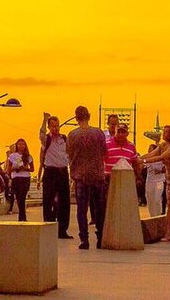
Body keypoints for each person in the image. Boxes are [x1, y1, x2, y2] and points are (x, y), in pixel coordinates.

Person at [66, 105, 108, 250]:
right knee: (100, 208)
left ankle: (84, 239)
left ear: (76, 118)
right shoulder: (98, 133)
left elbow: (69, 154)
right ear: (89, 116)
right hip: (97, 174)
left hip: (80, 176)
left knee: (81, 209)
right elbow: (104, 151)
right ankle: (100, 236)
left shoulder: (72, 135)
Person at [38, 113, 72, 239]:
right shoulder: (47, 139)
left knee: (64, 201)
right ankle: (48, 226)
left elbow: (69, 153)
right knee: (48, 200)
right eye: (52, 126)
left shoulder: (64, 139)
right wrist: (44, 120)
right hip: (50, 172)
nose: (55, 128)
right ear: (49, 127)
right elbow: (41, 134)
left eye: (57, 126)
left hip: (62, 171)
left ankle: (62, 229)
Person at [5, 138, 35, 222]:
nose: (21, 146)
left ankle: (22, 216)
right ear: (16, 146)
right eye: (19, 144)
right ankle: (22, 216)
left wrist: (25, 168)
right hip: (16, 178)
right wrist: (15, 168)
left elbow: (32, 169)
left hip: (25, 177)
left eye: (23, 144)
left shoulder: (28, 156)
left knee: (23, 197)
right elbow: (8, 169)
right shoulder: (12, 156)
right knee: (18, 197)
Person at [144, 143, 167, 217]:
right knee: (150, 199)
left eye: (151, 149)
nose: (149, 150)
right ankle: (152, 215)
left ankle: (158, 215)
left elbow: (167, 169)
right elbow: (141, 163)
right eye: (148, 149)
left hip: (159, 181)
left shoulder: (161, 159)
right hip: (149, 182)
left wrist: (160, 171)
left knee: (157, 198)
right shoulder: (148, 160)